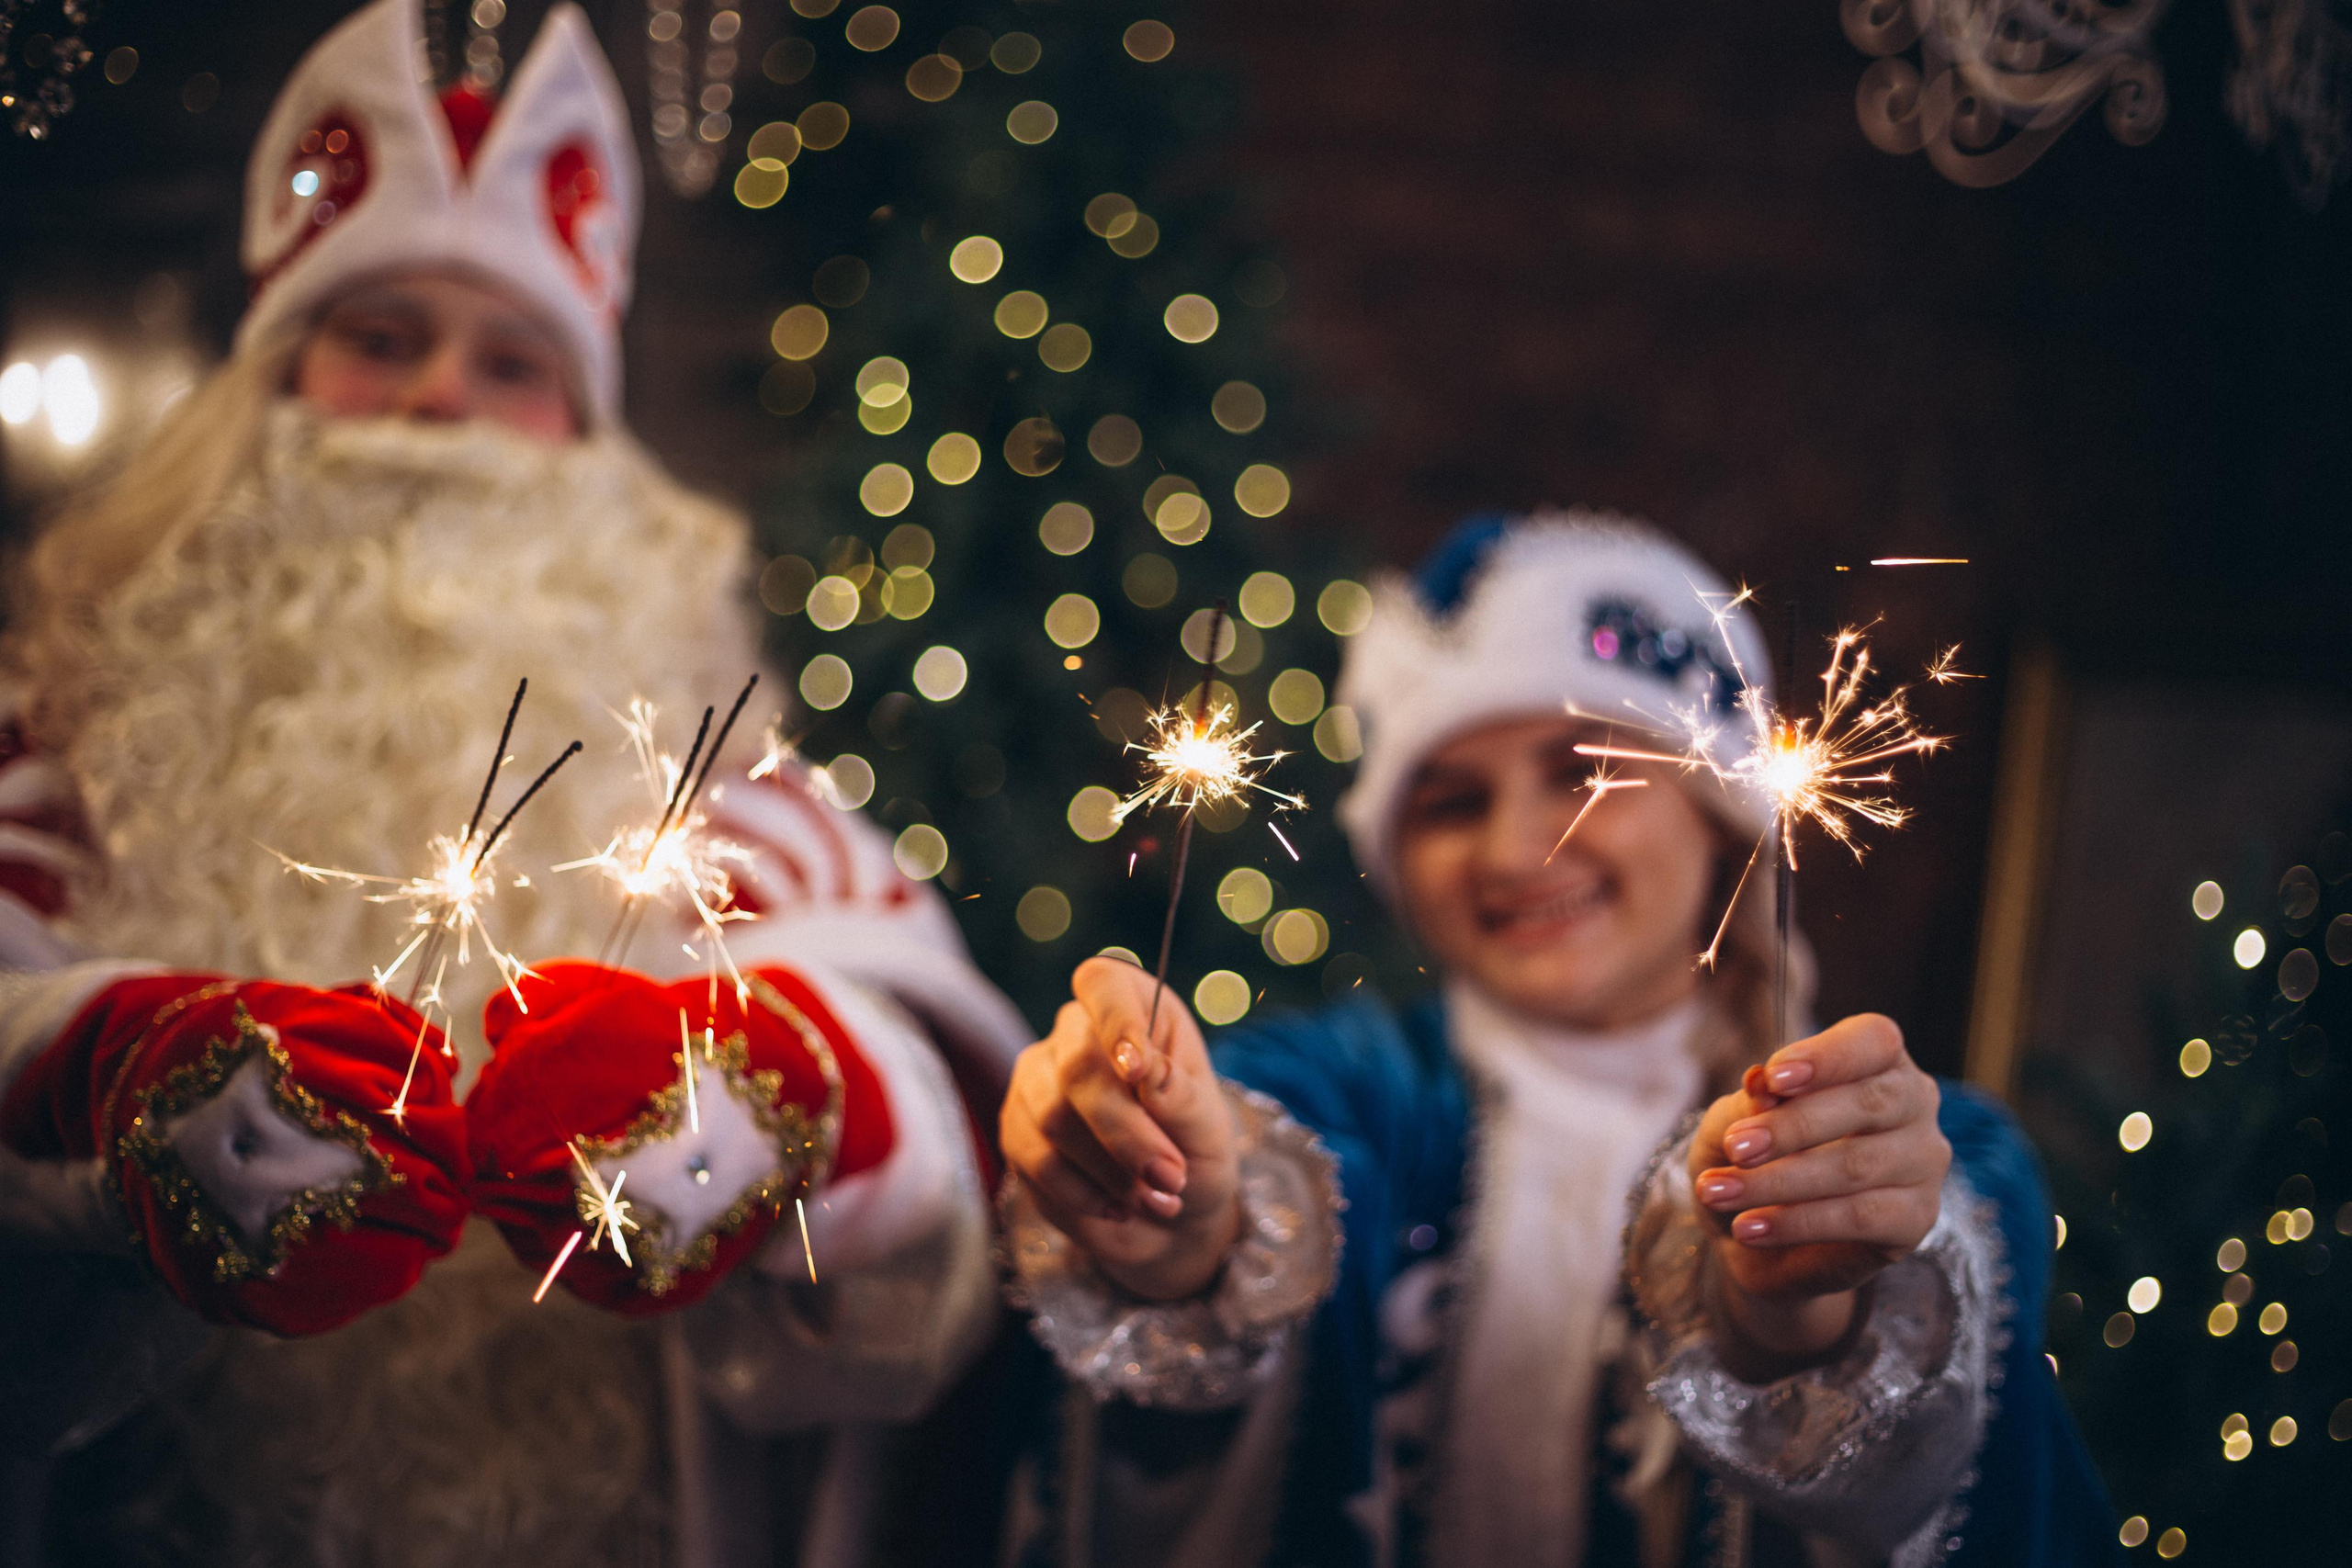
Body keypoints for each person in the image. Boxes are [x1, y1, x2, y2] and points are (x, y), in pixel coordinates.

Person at [0, 3, 1030, 1564]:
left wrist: (752, 1095)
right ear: (272, 384)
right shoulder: (67, 732)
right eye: (381, 337)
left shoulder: (712, 763)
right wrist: (124, 1063)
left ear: (589, 440)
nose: (439, 403)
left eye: (512, 360)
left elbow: (909, 1035)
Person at [998, 513, 2121, 1567]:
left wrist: (1801, 1317)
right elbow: (1244, 1153)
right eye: (1448, 802)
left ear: (1718, 811)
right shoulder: (1348, 1091)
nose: (1517, 850)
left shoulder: (1932, 1161)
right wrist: (1177, 1219)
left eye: (1586, 774)